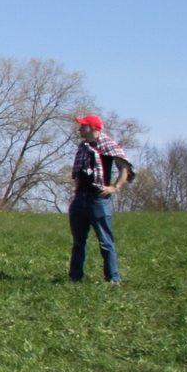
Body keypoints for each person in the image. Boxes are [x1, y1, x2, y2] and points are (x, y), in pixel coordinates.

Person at [69, 114, 133, 284]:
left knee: (105, 242)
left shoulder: (108, 145)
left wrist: (114, 187)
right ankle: (75, 278)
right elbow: (78, 171)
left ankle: (112, 278)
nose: (80, 128)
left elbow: (125, 167)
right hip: (80, 199)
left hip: (98, 200)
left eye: (83, 125)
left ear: (92, 127)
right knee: (78, 243)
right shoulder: (83, 147)